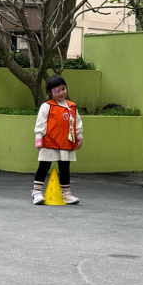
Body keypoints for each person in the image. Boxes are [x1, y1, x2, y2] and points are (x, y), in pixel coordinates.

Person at [32, 74, 83, 205]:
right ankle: (36, 192)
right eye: (57, 91)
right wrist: (39, 138)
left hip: (66, 142)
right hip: (50, 142)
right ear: (49, 92)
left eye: (63, 89)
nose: (61, 93)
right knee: (44, 166)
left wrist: (79, 137)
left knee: (65, 168)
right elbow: (41, 123)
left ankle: (66, 193)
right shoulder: (47, 106)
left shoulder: (72, 106)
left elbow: (77, 122)